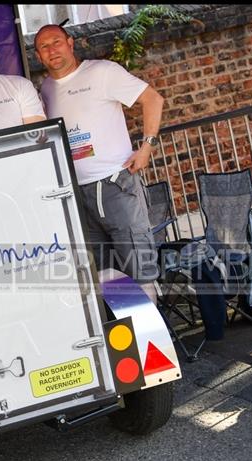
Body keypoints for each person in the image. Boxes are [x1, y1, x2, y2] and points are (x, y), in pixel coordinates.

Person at [34, 24, 165, 299]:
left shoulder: (102, 71)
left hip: (115, 184)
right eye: (43, 47)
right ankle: (126, 336)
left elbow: (152, 99)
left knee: (139, 267)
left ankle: (154, 338)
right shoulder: (46, 88)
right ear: (38, 55)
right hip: (76, 193)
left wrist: (146, 148)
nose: (51, 50)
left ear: (70, 42)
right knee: (106, 275)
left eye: (56, 42)